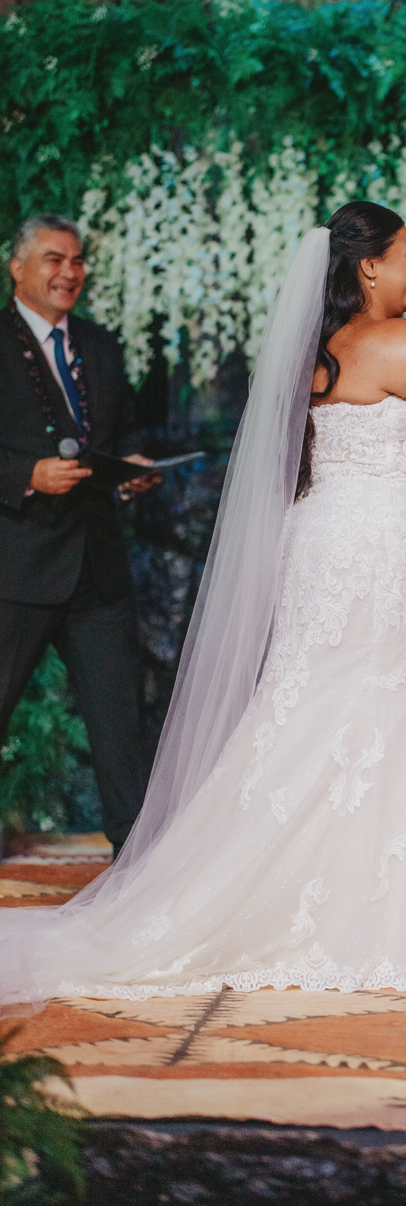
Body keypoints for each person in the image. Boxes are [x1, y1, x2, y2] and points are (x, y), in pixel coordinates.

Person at [0, 201, 406, 1010]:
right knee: (346, 709)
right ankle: (331, 917)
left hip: (359, 539)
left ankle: (356, 915)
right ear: (369, 267)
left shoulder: (340, 349)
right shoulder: (380, 341)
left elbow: (365, 441)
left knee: (343, 714)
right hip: (361, 555)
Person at [0, 215, 157, 859]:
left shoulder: (101, 344)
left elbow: (123, 435)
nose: (69, 272)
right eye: (52, 259)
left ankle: (139, 859)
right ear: (17, 268)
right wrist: (24, 474)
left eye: (77, 260)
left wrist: (133, 471)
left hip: (97, 566)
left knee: (121, 720)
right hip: (16, 566)